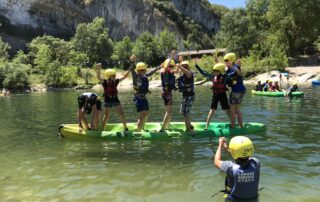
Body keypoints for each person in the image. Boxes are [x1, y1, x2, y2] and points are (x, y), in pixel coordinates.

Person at [214, 136, 260, 201]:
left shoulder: (229, 166)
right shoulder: (256, 162)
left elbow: (216, 161)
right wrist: (229, 150)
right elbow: (246, 156)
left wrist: (220, 145)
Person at [129, 55, 161, 132]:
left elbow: (151, 72)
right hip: (138, 98)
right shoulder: (135, 76)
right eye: (140, 70)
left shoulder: (145, 75)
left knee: (146, 114)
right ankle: (138, 131)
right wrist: (132, 62)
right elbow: (131, 69)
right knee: (142, 115)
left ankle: (141, 127)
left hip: (144, 98)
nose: (142, 71)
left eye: (143, 70)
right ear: (137, 70)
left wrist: (158, 67)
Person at [195, 61, 230, 130]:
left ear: (220, 71)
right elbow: (203, 73)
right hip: (215, 95)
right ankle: (206, 126)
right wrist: (197, 66)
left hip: (223, 95)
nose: (214, 72)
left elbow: (230, 73)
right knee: (211, 111)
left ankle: (233, 123)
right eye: (213, 70)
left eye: (215, 71)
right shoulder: (212, 76)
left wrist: (228, 66)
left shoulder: (225, 77)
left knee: (226, 110)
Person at [96, 63, 130, 131]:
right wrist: (99, 68)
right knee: (106, 116)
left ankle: (125, 128)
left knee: (121, 113)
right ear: (109, 76)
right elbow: (98, 77)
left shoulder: (116, 81)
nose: (114, 76)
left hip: (115, 99)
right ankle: (103, 130)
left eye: (114, 75)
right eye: (113, 76)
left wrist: (129, 70)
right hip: (107, 100)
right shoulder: (105, 82)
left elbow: (125, 77)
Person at [224, 53, 246, 129]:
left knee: (232, 109)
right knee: (237, 109)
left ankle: (233, 126)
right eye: (225, 61)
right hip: (240, 90)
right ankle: (241, 126)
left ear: (231, 60)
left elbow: (240, 74)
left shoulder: (236, 67)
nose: (225, 62)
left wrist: (232, 66)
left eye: (226, 60)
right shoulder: (228, 69)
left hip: (237, 91)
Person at [159, 58, 177, 132]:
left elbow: (175, 70)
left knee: (170, 111)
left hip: (168, 93)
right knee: (169, 111)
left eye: (172, 66)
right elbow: (166, 68)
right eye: (170, 66)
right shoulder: (165, 72)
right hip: (166, 93)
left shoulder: (170, 72)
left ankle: (168, 126)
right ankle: (163, 129)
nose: (171, 67)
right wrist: (172, 56)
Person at [177, 60, 195, 132]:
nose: (183, 68)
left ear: (188, 67)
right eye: (183, 66)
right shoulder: (182, 76)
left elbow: (188, 73)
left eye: (185, 66)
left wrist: (180, 67)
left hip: (190, 96)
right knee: (184, 112)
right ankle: (190, 126)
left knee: (186, 113)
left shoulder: (189, 74)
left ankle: (188, 130)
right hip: (185, 96)